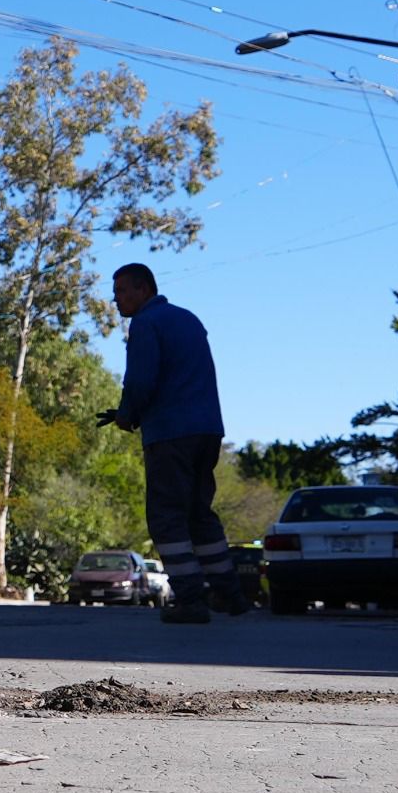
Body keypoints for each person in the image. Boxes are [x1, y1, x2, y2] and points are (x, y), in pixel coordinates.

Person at [108, 263, 249, 624]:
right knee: (200, 513)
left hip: (170, 433)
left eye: (122, 291)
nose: (116, 299)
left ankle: (189, 598)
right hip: (207, 430)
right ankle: (229, 594)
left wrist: (126, 414)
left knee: (167, 517)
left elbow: (141, 380)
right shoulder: (187, 319)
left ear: (143, 290)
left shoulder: (145, 323)